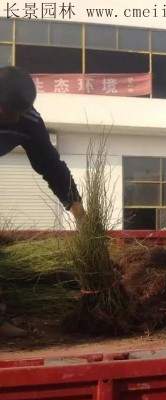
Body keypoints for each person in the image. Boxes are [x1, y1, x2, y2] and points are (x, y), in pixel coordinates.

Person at [0, 66, 85, 338]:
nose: (15, 119)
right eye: (9, 112)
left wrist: (78, 211)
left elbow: (50, 165)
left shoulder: (28, 120)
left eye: (20, 112)